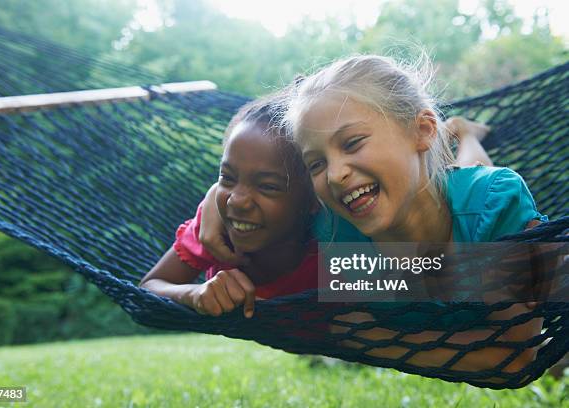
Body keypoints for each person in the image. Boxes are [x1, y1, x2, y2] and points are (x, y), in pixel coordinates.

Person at [198, 55, 548, 380]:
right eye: (315, 164)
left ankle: (465, 134)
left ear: (423, 130)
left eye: (352, 143)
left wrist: (376, 340)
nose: (335, 175)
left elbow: (515, 358)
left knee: (473, 177)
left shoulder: (497, 205)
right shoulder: (333, 228)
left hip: (473, 205)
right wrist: (214, 199)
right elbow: (260, 174)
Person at [139, 93, 318, 318]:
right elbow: (149, 287)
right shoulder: (217, 230)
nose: (237, 201)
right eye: (227, 178)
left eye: (268, 186)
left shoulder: (336, 239)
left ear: (314, 198)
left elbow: (371, 302)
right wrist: (193, 294)